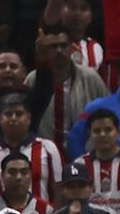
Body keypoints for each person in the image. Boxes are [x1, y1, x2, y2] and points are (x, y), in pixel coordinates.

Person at [27, 24, 110, 155]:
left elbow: (108, 112)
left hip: (85, 153)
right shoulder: (32, 79)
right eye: (53, 47)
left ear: (72, 48)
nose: (59, 50)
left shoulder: (90, 77)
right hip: (44, 154)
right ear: (44, 50)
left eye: (63, 45)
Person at [73, 109, 120, 214]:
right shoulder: (80, 164)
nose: (102, 135)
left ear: (118, 132)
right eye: (97, 131)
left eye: (108, 130)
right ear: (90, 134)